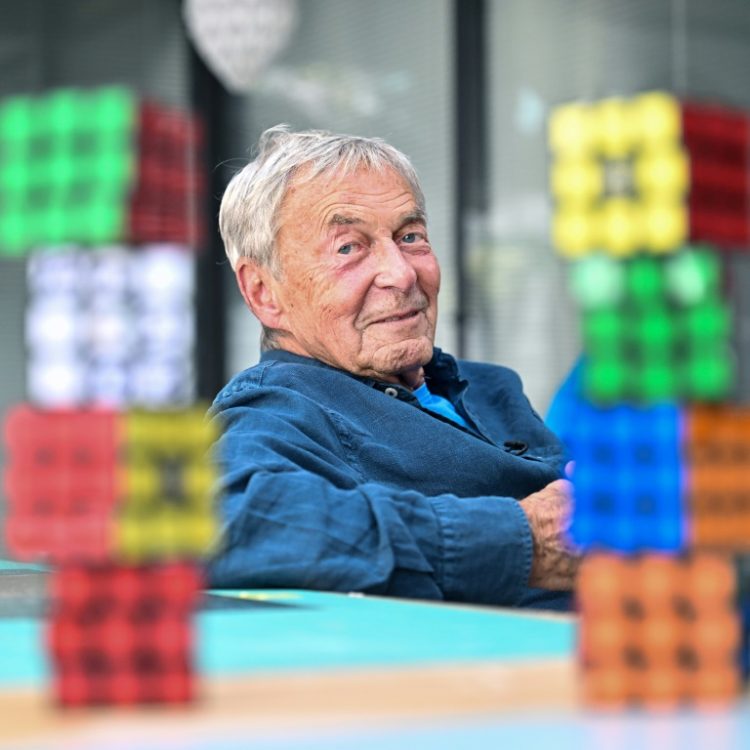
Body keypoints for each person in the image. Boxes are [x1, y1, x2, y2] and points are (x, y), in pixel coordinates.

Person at [206, 125, 578, 610]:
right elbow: (223, 521)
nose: (402, 273)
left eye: (410, 236)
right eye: (348, 248)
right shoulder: (281, 407)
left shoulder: (487, 387)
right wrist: (518, 539)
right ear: (263, 292)